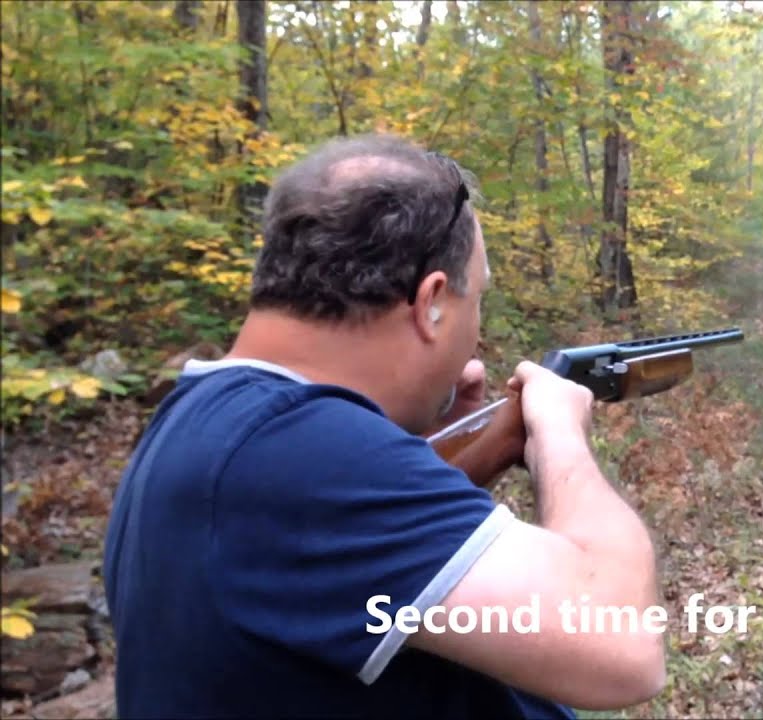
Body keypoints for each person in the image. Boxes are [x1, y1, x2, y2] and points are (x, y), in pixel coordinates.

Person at [102, 134, 667, 718]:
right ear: (432, 304)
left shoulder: (212, 421)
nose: (475, 333)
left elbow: (345, 572)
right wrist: (560, 433)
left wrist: (437, 456)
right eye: (479, 301)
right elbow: (625, 645)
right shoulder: (303, 455)